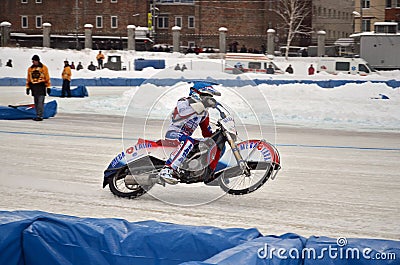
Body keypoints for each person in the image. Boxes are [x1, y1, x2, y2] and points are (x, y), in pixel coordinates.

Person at [158, 82, 221, 184]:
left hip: (185, 137)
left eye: (210, 97)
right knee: (188, 141)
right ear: (196, 93)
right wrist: (200, 106)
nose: (209, 99)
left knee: (212, 143)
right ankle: (168, 168)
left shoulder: (204, 113)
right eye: (206, 96)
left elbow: (206, 132)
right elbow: (182, 113)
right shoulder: (183, 102)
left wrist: (218, 135)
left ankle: (209, 173)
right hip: (173, 133)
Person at [26, 54, 51, 121]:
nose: (33, 62)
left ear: (37, 61)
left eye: (34, 61)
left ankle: (40, 115)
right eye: (33, 61)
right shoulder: (30, 69)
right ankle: (38, 115)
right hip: (34, 87)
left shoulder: (43, 68)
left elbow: (47, 77)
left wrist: (48, 87)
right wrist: (28, 87)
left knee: (40, 102)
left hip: (41, 86)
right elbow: (28, 78)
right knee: (36, 102)